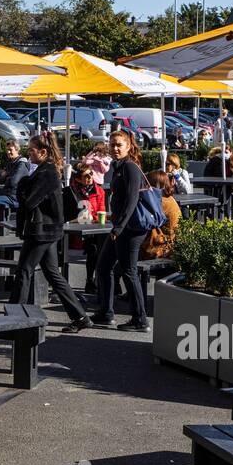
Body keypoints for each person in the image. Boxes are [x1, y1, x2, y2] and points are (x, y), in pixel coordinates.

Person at [7, 135, 91, 333]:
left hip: (42, 231)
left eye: (32, 150)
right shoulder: (47, 171)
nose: (29, 154)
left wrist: (22, 185)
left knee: (24, 271)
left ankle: (13, 319)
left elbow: (29, 202)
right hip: (48, 229)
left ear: (43, 152)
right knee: (52, 274)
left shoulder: (47, 173)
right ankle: (80, 316)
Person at [92, 128, 151, 332]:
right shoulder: (118, 167)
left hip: (131, 228)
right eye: (112, 144)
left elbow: (132, 200)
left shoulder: (130, 168)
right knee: (104, 266)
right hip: (121, 226)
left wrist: (118, 226)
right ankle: (106, 312)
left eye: (119, 145)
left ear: (128, 146)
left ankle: (140, 319)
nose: (115, 148)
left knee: (129, 271)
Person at [63, 160, 106, 302]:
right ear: (77, 178)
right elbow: (65, 216)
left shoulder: (99, 191)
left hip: (93, 232)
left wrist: (92, 218)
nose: (89, 178)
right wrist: (77, 219)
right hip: (73, 235)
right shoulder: (69, 192)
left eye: (91, 174)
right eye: (86, 176)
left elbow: (102, 212)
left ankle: (92, 280)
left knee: (98, 247)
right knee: (92, 248)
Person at [141, 170, 181, 259]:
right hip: (170, 243)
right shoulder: (167, 198)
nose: (145, 186)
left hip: (163, 247)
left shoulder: (160, 201)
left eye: (147, 183)